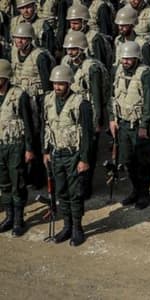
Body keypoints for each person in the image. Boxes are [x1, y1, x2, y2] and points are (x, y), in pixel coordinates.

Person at [42, 65, 93, 246]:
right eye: (55, 83)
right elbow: (45, 127)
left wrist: (85, 159)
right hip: (56, 153)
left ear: (69, 83)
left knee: (75, 193)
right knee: (61, 191)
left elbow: (87, 134)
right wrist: (45, 151)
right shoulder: (48, 100)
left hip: (74, 155)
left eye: (61, 84)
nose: (57, 87)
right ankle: (66, 226)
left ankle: (77, 228)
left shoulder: (81, 103)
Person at [109, 41, 150, 210]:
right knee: (128, 161)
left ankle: (144, 193)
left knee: (142, 162)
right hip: (122, 123)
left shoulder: (146, 75)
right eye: (124, 59)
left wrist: (144, 125)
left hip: (138, 126)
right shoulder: (119, 72)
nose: (126, 62)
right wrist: (112, 119)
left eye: (129, 59)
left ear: (137, 58)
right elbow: (113, 96)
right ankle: (135, 190)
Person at [61, 30, 107, 200]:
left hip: (87, 111)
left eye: (74, 49)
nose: (70, 52)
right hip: (70, 111)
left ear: (82, 49)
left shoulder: (92, 67)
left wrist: (96, 121)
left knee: (88, 151)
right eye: (68, 49)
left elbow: (96, 96)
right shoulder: (65, 63)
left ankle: (85, 187)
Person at [10, 22, 55, 189]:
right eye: (17, 38)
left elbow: (47, 85)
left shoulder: (40, 56)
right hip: (20, 101)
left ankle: (39, 177)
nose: (19, 42)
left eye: (23, 38)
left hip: (37, 101)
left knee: (37, 138)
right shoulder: (13, 53)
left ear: (30, 39)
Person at [0, 59, 34, 237]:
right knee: (4, 184)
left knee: (18, 183)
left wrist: (29, 148)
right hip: (0, 145)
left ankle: (19, 220)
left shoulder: (19, 95)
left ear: (5, 78)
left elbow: (28, 124)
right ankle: (9, 216)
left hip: (15, 145)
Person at [65, 3, 114, 71]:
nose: (72, 26)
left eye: (75, 23)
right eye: (71, 23)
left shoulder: (95, 38)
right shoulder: (70, 34)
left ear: (84, 22)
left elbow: (100, 64)